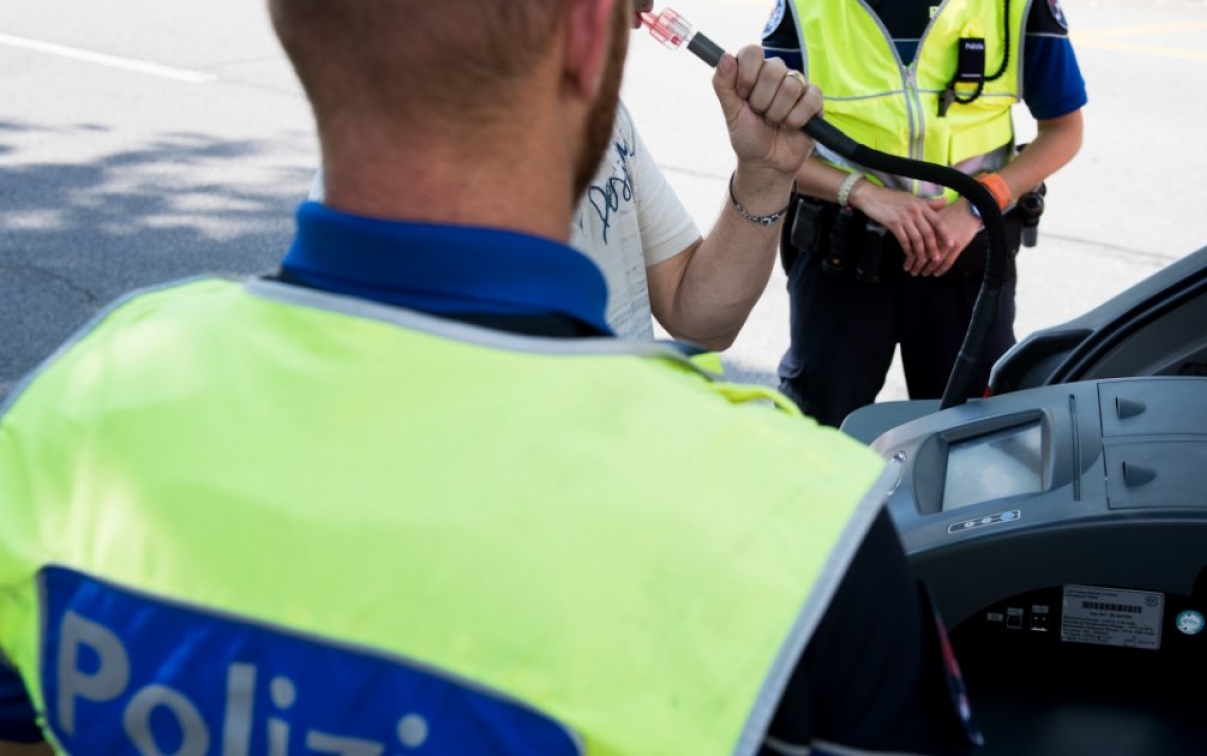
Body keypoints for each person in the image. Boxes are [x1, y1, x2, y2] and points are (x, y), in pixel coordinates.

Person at [0, 1, 980, 753]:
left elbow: (698, 309)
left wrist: (762, 183)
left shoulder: (73, 413)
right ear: (589, 36)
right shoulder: (797, 531)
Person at [306, 0, 800, 352]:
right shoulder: (393, 183)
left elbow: (698, 319)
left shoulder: (600, 116)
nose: (646, 7)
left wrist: (764, 176)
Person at [763, 0, 1088, 427]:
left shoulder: (1017, 5)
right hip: (843, 262)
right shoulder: (805, 7)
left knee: (973, 438)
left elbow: (1064, 131)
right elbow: (768, 149)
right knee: (817, 432)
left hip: (965, 263)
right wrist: (862, 192)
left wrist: (977, 204)